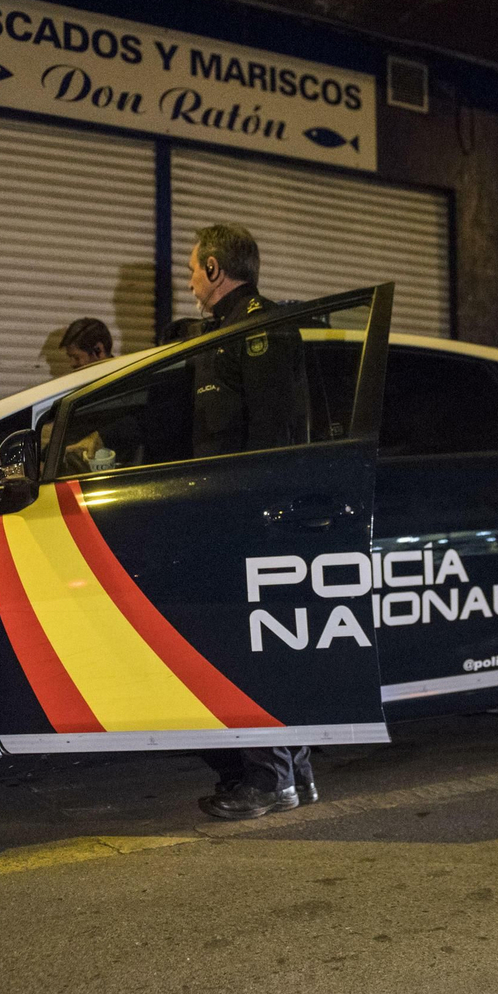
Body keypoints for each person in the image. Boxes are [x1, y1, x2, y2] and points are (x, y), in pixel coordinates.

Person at [185, 224, 316, 822]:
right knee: (258, 644)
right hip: (230, 513)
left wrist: (259, 519)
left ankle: (268, 780)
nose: (189, 280)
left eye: (192, 268)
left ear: (214, 268)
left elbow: (272, 430)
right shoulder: (222, 332)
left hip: (250, 516)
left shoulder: (258, 326)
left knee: (251, 649)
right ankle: (295, 774)